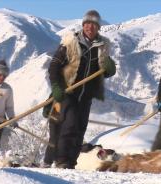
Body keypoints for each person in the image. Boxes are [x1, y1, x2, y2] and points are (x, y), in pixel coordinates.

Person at [47, 10, 116, 169]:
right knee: (69, 125)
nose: (89, 27)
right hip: (68, 91)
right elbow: (54, 67)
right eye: (87, 23)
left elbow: (103, 72)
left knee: (80, 128)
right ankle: (62, 161)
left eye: (93, 24)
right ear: (83, 25)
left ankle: (71, 162)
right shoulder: (70, 42)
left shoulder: (102, 46)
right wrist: (57, 86)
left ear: (98, 27)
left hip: (86, 95)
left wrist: (110, 70)